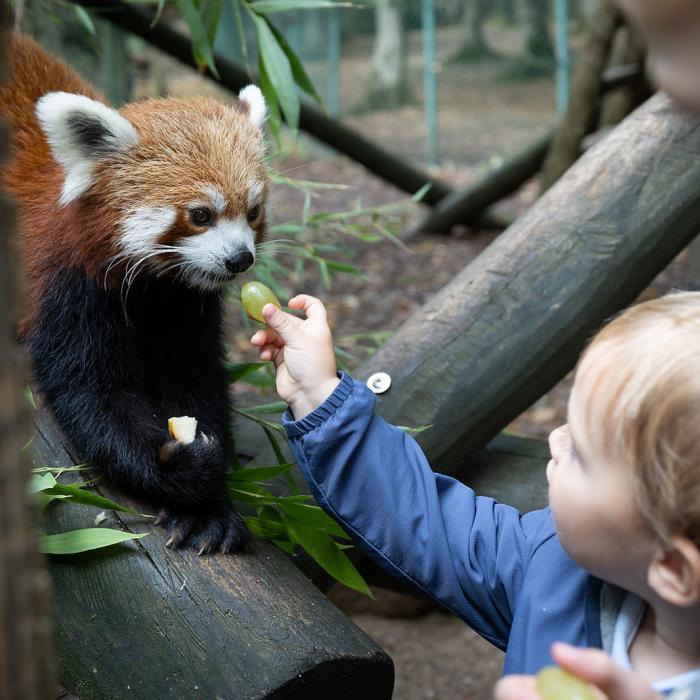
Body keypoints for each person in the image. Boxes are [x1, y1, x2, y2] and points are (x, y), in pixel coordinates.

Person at [250, 292, 700, 698]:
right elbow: (426, 522)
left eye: (580, 453)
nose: (556, 440)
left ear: (674, 570)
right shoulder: (557, 563)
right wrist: (320, 397)